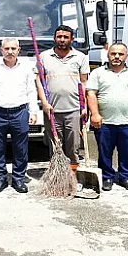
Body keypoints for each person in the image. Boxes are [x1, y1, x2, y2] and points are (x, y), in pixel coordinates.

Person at [0, 38, 39, 194]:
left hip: (19, 112)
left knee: (21, 148)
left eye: (13, 48)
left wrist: (33, 111)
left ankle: (18, 178)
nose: (10, 51)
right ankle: (0, 178)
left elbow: (31, 91)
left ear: (19, 50)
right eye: (7, 48)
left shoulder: (26, 69)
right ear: (1, 50)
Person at [86, 43, 128, 192]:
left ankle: (125, 177)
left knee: (127, 152)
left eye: (120, 54)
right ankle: (107, 177)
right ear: (108, 54)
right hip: (104, 122)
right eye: (113, 54)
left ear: (126, 56)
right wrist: (95, 114)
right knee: (104, 152)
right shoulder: (98, 73)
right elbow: (91, 94)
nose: (117, 57)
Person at [37, 25, 89, 167]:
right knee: (55, 147)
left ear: (72, 39)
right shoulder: (44, 57)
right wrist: (44, 103)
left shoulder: (80, 57)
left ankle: (73, 177)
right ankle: (58, 177)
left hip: (74, 110)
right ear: (54, 38)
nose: (62, 40)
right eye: (59, 37)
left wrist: (84, 106)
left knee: (73, 147)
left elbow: (84, 82)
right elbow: (40, 83)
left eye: (66, 37)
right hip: (52, 110)